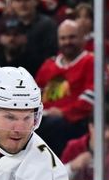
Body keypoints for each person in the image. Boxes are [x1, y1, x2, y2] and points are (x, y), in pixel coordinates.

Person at [35, 20, 94, 156]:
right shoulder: (48, 64)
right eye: (63, 38)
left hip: (75, 122)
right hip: (45, 118)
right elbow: (35, 94)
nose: (67, 42)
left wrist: (64, 112)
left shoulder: (92, 61)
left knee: (54, 125)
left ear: (82, 38)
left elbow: (92, 97)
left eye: (72, 37)